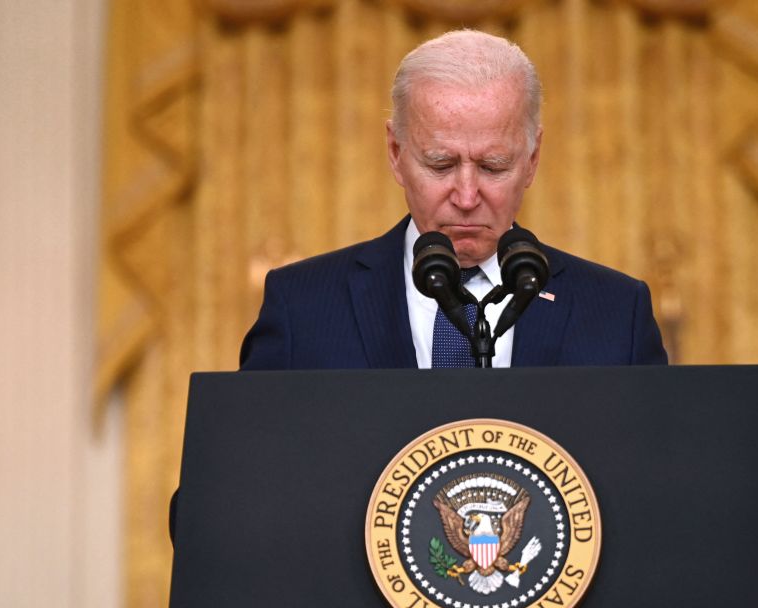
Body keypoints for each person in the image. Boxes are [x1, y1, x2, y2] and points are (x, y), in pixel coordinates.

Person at [239, 29, 667, 371]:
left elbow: (660, 473)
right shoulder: (303, 307)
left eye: (493, 166)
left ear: (532, 159)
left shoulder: (616, 314)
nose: (466, 197)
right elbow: (231, 474)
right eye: (441, 165)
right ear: (396, 154)